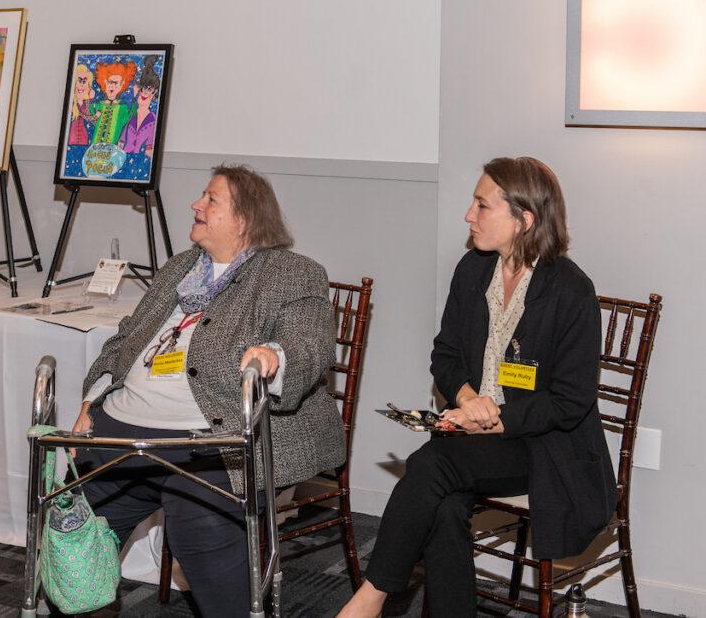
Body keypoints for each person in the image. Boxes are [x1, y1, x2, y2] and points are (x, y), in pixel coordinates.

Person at [338, 157, 616, 617]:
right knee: (443, 507)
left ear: (524, 219)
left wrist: (495, 419)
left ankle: (372, 595)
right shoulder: (472, 270)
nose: (469, 215)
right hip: (471, 441)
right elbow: (444, 356)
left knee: (432, 463)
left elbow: (570, 402)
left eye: (482, 205)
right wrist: (468, 401)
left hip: (543, 447)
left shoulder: (571, 291)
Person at [72, 164, 344, 616]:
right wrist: (90, 399)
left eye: (211, 199)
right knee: (71, 531)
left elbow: (309, 344)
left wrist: (273, 355)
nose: (196, 205)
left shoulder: (291, 273)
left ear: (245, 218)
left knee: (200, 536)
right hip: (122, 432)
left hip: (210, 440)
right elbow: (125, 338)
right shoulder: (179, 267)